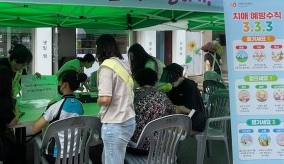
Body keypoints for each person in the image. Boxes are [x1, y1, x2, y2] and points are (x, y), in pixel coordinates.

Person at [31, 70, 87, 164]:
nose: (59, 84)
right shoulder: (80, 105)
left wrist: (47, 109)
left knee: (37, 140)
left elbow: (34, 128)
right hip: (77, 154)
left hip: (57, 157)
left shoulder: (55, 107)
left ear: (64, 85)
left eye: (60, 82)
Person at [95, 34, 135, 164]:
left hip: (115, 123)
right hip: (128, 119)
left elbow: (105, 98)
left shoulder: (107, 67)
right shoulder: (123, 64)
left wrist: (98, 101)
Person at [128, 68, 177, 155]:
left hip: (136, 146)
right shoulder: (162, 95)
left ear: (138, 81)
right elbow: (173, 111)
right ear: (154, 81)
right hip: (157, 147)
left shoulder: (133, 95)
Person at [163, 63, 207, 133]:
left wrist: (177, 108)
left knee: (165, 130)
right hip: (183, 118)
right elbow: (171, 103)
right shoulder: (175, 87)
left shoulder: (189, 86)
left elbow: (191, 110)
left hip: (195, 120)